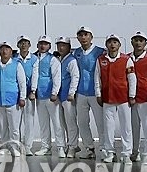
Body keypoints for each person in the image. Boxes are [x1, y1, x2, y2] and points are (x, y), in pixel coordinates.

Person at [94, 34, 136, 163]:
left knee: (126, 127)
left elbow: (132, 79)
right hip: (107, 98)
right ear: (106, 45)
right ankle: (109, 152)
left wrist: (132, 95)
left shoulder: (126, 59)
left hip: (123, 98)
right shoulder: (101, 60)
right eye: (110, 42)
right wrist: (98, 94)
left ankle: (126, 153)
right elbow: (97, 78)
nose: (112, 45)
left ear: (119, 45)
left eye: (115, 42)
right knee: (108, 127)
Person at [72, 26, 105, 159]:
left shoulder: (100, 52)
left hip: (96, 93)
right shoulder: (76, 53)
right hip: (81, 92)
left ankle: (104, 148)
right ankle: (89, 147)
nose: (83, 38)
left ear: (91, 36)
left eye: (86, 35)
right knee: (82, 121)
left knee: (100, 122)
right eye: (80, 35)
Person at [128, 32, 147, 164]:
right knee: (133, 127)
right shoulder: (127, 58)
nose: (138, 43)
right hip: (130, 99)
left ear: (145, 43)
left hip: (146, 98)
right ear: (132, 42)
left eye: (141, 40)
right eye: (136, 40)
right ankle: (134, 151)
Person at [0, 43, 26, 152]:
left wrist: (22, 97)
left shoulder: (17, 65)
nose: (4, 51)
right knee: (3, 127)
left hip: (13, 101)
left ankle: (15, 148)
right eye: (2, 49)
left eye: (7, 49)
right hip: (0, 100)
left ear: (11, 52)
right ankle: (5, 147)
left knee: (14, 128)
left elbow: (22, 82)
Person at [32, 35, 62, 157]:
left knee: (57, 122)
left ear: (49, 46)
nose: (43, 46)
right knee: (43, 123)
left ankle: (60, 146)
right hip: (40, 96)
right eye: (41, 43)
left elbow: (57, 77)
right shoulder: (34, 59)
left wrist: (54, 92)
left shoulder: (53, 60)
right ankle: (45, 146)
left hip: (51, 96)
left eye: (45, 44)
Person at [54, 36, 80, 158]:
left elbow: (75, 77)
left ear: (69, 47)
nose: (61, 47)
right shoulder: (60, 59)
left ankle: (72, 147)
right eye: (59, 45)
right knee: (64, 123)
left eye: (63, 45)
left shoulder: (71, 60)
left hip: (68, 97)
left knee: (71, 122)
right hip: (61, 96)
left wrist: (71, 93)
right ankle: (71, 143)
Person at [15, 35, 39, 152]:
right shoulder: (14, 59)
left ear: (30, 45)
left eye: (26, 43)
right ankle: (17, 146)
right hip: (17, 95)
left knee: (29, 121)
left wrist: (33, 91)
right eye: (21, 43)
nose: (24, 45)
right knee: (16, 122)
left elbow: (35, 76)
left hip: (30, 94)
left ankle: (28, 146)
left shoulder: (34, 59)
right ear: (18, 45)